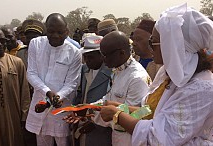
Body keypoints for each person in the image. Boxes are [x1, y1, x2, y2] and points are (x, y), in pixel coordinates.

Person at [100, 3, 213, 146]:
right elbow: (152, 112)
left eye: (152, 41)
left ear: (172, 45)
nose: (149, 47)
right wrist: (123, 108)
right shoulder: (166, 73)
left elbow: (159, 138)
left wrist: (117, 115)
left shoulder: (201, 89)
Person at [25, 13, 82, 146]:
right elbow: (31, 73)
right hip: (40, 105)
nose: (55, 35)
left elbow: (72, 82)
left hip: (61, 108)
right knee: (42, 141)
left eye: (60, 32)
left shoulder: (74, 52)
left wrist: (59, 96)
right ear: (46, 30)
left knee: (63, 142)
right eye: (51, 31)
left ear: (67, 32)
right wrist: (47, 92)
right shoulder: (36, 44)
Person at [94, 31, 151, 146]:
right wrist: (88, 108)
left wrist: (98, 113)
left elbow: (136, 115)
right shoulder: (118, 70)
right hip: (118, 138)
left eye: (106, 55)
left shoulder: (137, 78)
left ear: (121, 53)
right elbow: (109, 99)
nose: (103, 60)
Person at [72, 35, 112, 146]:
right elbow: (81, 93)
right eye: (85, 57)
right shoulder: (84, 69)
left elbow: (111, 102)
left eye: (91, 57)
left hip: (101, 126)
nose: (88, 61)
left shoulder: (111, 72)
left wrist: (94, 122)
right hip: (83, 122)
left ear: (101, 55)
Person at [0, 27, 30, 146]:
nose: (0, 44)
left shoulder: (17, 62)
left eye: (2, 41)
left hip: (13, 116)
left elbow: (25, 92)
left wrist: (24, 117)